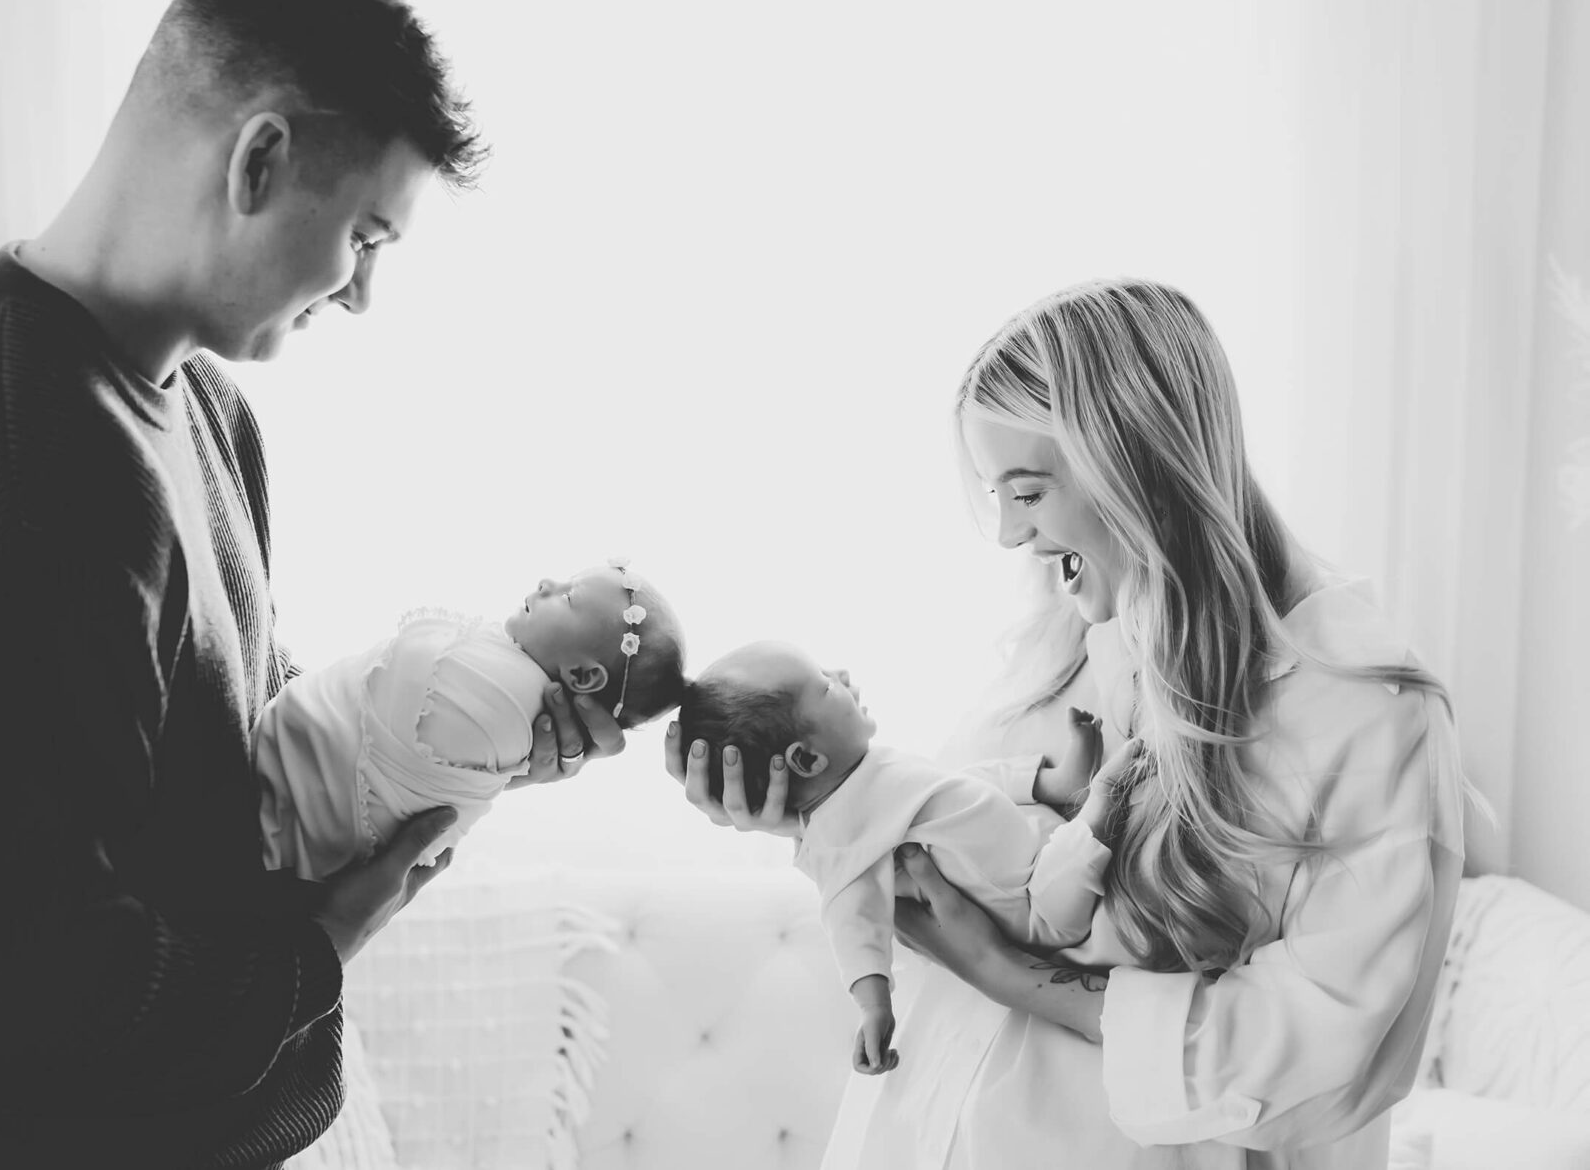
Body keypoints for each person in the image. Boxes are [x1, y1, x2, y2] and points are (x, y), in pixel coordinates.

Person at [0, 0, 621, 1170]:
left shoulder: (204, 412)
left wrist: (447, 747)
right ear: (262, 159)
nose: (360, 296)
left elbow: (228, 773)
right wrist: (329, 939)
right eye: (370, 238)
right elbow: (0, 1014)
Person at [666, 278, 1467, 1169]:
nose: (1010, 534)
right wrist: (821, 813)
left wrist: (1016, 978)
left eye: (1029, 490)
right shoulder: (1064, 631)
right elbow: (954, 859)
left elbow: (1322, 1054)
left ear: (1138, 466)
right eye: (996, 493)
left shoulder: (1363, 705)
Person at [676, 638, 1140, 1078]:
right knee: (1060, 873)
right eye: (824, 684)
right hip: (1034, 908)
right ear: (807, 760)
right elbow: (850, 920)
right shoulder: (838, 839)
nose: (841, 673)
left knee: (964, 780)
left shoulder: (870, 769)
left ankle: (1059, 783)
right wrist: (874, 1003)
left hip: (1027, 842)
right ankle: (1102, 801)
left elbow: (957, 788)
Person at [256, 561, 685, 881]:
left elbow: (403, 692)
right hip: (279, 806)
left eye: (568, 596)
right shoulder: (516, 694)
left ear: (583, 675)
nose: (546, 583)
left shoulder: (504, 698)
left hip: (273, 814)